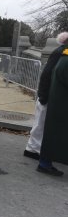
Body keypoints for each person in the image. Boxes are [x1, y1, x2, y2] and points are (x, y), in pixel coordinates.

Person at [24, 32, 68, 160]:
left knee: (41, 123)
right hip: (48, 94)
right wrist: (43, 94)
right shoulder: (60, 53)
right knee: (41, 123)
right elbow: (47, 74)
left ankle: (35, 148)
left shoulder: (59, 51)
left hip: (48, 93)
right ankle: (32, 149)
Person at [37, 43, 68, 176]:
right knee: (54, 135)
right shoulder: (65, 56)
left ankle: (45, 163)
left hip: (60, 102)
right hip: (61, 103)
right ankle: (44, 164)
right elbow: (60, 73)